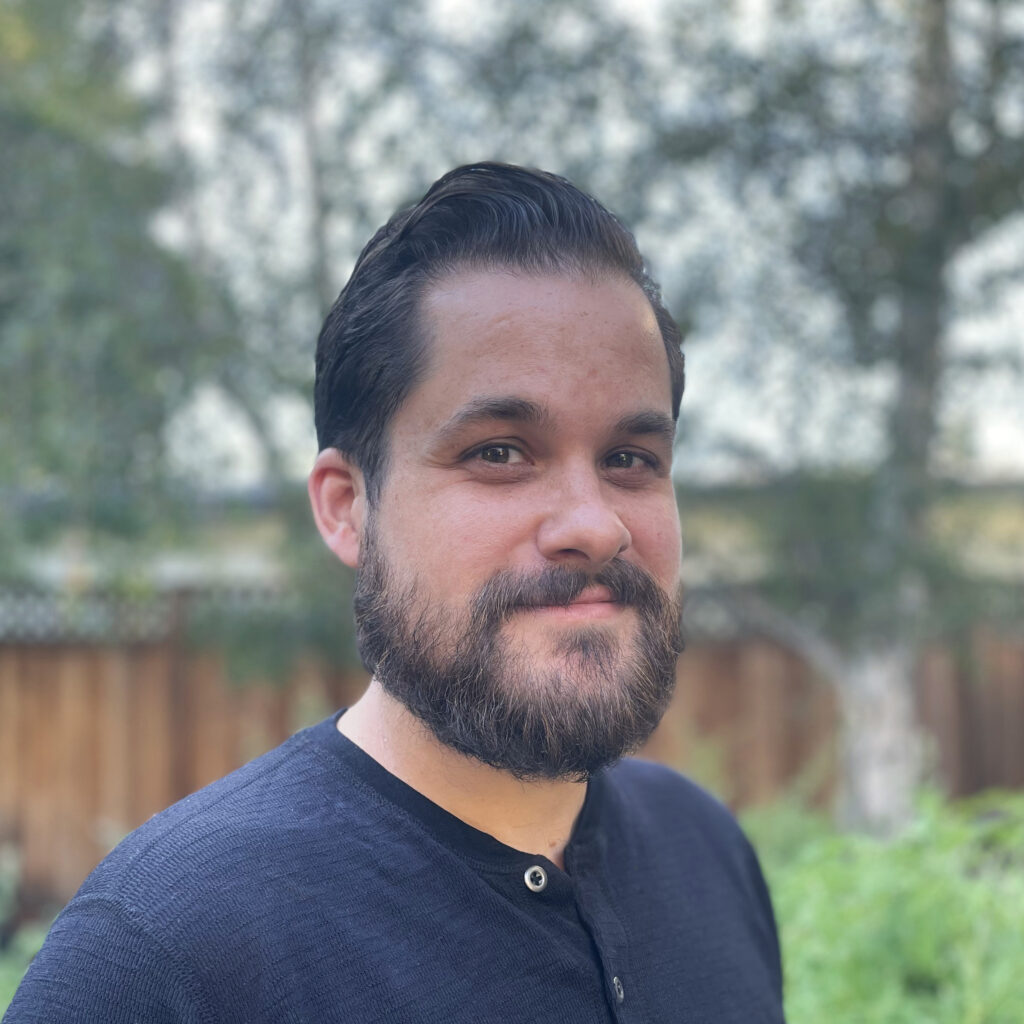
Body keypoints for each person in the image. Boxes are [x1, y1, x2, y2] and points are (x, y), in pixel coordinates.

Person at [5, 163, 784, 1023]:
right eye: (500, 451)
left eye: (630, 460)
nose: (595, 524)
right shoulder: (169, 954)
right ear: (348, 509)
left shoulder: (704, 850)